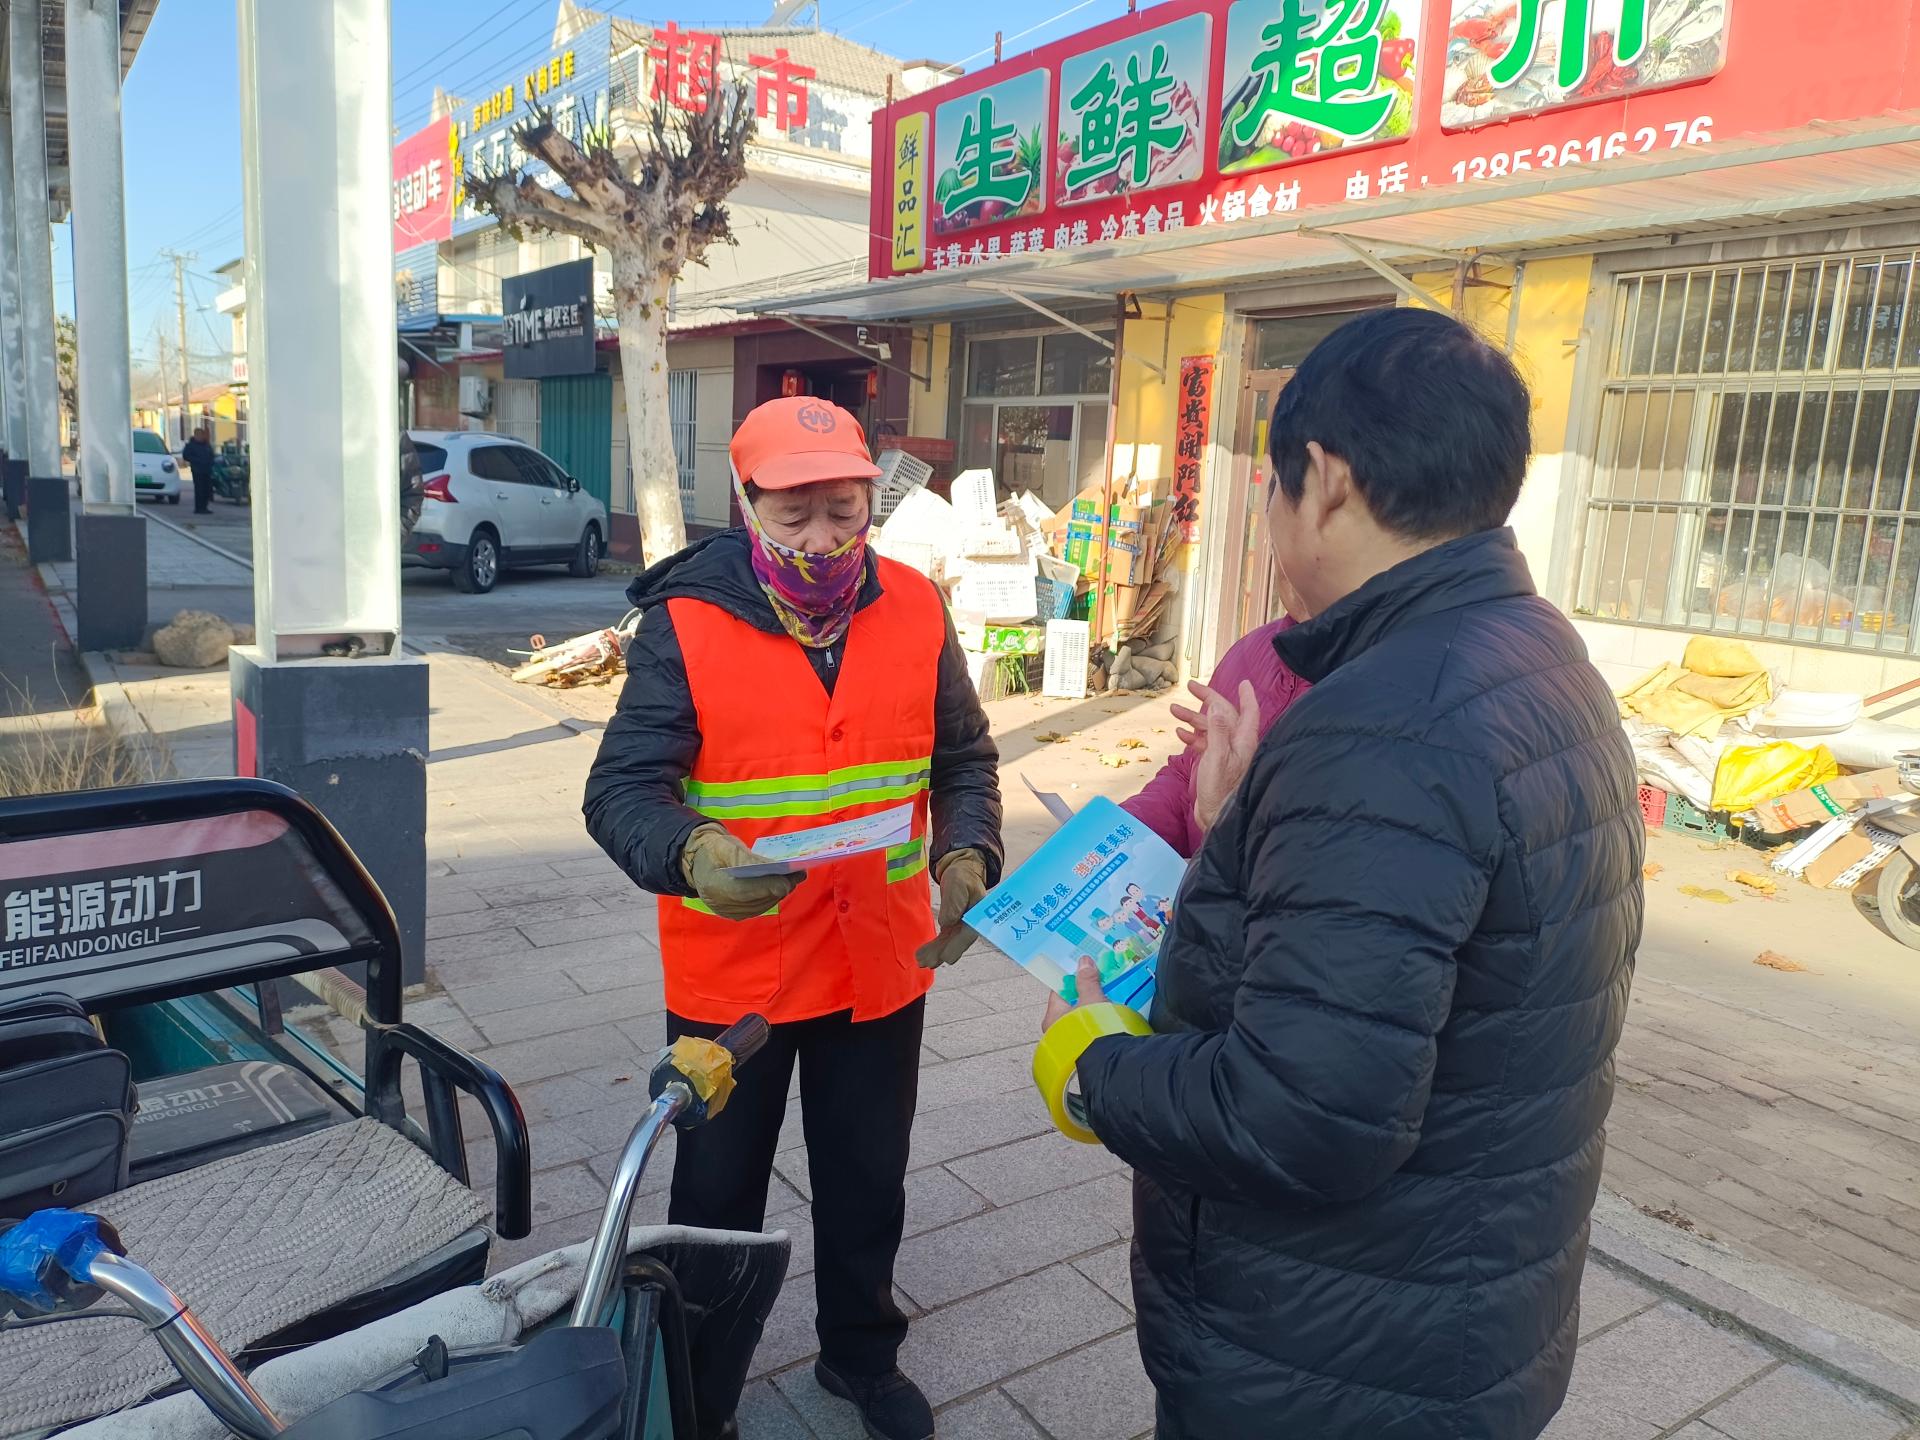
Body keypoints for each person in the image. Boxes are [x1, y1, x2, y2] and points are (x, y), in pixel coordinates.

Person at [1048, 308, 1644, 1439]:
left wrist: (1091, 1066)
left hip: (1330, 1352)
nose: (1275, 524)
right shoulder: (1539, 655)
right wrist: (1243, 831)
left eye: (1275, 492)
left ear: (1323, 480)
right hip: (1457, 1307)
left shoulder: (1383, 723)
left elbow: (1299, 1117)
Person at [583, 396, 1002, 1440]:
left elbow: (963, 760)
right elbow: (622, 788)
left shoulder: (916, 606)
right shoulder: (687, 621)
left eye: (843, 512)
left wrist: (968, 852)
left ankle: (861, 1356)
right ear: (746, 505)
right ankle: (697, 1396)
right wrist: (692, 851)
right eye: (793, 514)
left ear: (871, 500)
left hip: (878, 960)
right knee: (715, 1202)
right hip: (739, 973)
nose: (820, 539)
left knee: (868, 1177)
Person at [1120, 603, 1310, 858]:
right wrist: (1122, 830)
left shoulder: (1363, 695)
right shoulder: (1251, 650)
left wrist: (1233, 819)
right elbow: (1187, 776)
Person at [181, 428, 216, 515]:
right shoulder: (191, 445)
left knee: (207, 489)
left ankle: (205, 507)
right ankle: (198, 508)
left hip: (207, 470)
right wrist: (196, 461)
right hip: (197, 470)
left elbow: (212, 455)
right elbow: (186, 456)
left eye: (201, 435)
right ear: (195, 435)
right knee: (199, 490)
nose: (200, 436)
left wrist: (211, 462)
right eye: (198, 435)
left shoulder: (206, 445)